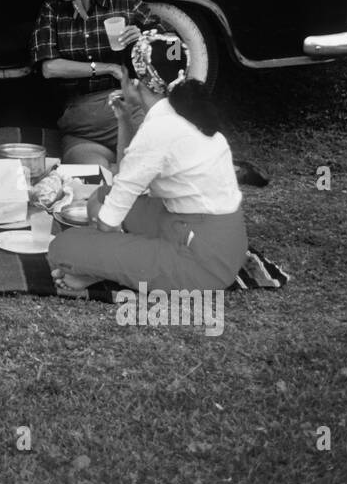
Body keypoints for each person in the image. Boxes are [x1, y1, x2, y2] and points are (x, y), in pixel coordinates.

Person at [47, 31, 248, 294]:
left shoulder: (160, 128)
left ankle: (107, 269)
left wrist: (99, 252)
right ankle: (120, 263)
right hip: (201, 231)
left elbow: (108, 223)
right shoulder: (181, 110)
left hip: (202, 262)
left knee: (64, 248)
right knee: (102, 197)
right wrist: (124, 119)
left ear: (137, 82)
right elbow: (123, 181)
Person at [30, 0, 158, 168]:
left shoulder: (126, 3)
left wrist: (144, 39)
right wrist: (106, 68)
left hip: (128, 107)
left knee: (144, 169)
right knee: (89, 178)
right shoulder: (53, 9)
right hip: (83, 122)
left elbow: (172, 52)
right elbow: (49, 68)